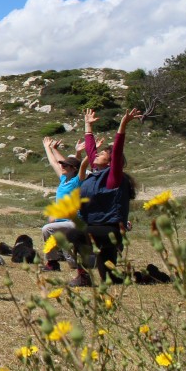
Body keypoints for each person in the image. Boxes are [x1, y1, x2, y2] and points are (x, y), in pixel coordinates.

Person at [67, 108, 141, 286]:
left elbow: (116, 151)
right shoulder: (96, 173)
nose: (97, 155)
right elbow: (91, 150)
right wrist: (88, 126)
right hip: (95, 227)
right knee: (111, 279)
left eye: (103, 154)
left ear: (110, 162)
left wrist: (122, 125)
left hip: (109, 230)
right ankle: (137, 276)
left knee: (75, 234)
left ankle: (83, 276)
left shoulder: (113, 177)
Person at [39, 136, 83, 272]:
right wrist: (48, 147)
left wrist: (82, 152)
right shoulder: (64, 179)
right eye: (62, 165)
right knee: (72, 262)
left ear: (74, 169)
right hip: (62, 221)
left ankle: (54, 262)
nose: (62, 166)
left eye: (65, 165)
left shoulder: (77, 181)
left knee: (47, 229)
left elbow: (83, 164)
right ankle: (54, 262)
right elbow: (54, 162)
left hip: (73, 221)